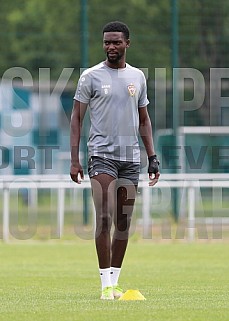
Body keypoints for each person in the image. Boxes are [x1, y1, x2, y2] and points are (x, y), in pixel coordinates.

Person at [70, 21, 160, 300]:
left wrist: (152, 157)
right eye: (107, 42)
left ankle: (116, 281)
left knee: (123, 222)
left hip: (130, 160)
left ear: (127, 44)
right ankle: (105, 285)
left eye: (116, 42)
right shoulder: (90, 76)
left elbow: (144, 121)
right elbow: (76, 117)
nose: (111, 47)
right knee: (105, 215)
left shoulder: (138, 77)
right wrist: (75, 159)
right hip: (101, 156)